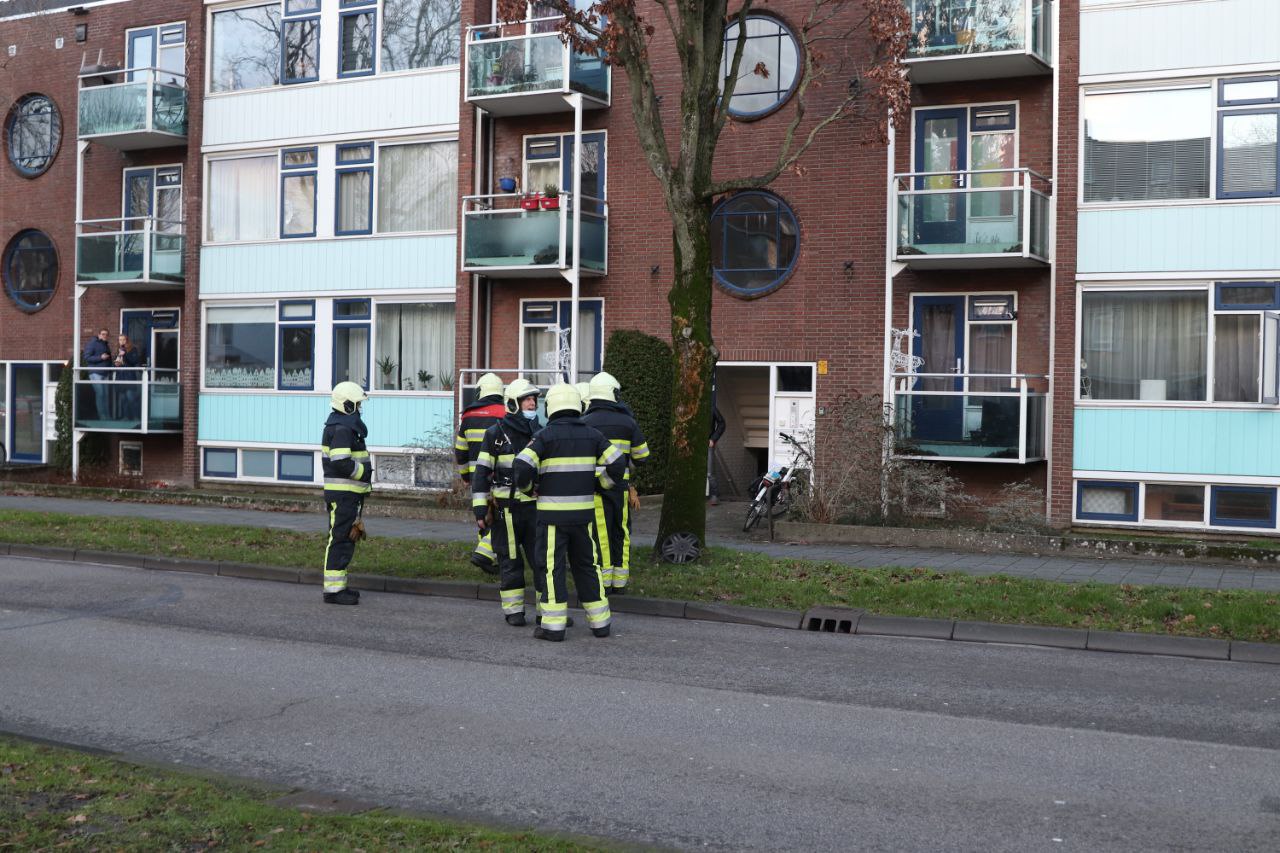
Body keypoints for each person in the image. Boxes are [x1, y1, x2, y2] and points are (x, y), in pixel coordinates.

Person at [514, 384, 626, 642]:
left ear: (550, 407)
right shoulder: (593, 434)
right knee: (588, 566)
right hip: (584, 516)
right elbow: (618, 462)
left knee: (552, 569)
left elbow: (521, 465)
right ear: (578, 406)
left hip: (552, 518)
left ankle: (553, 627)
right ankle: (601, 623)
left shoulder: (544, 436)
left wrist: (530, 489)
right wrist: (601, 484)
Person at [473, 378, 543, 625]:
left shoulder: (540, 432)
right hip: (506, 513)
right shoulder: (494, 434)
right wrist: (480, 510)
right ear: (513, 404)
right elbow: (481, 473)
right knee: (509, 561)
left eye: (534, 399)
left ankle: (548, 613)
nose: (532, 403)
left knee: (541, 562)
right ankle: (514, 611)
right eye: (527, 399)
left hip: (535, 510)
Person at [583, 371, 649, 594]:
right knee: (621, 531)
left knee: (600, 532)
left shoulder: (584, 422)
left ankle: (603, 580)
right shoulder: (628, 422)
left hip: (594, 489)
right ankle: (620, 582)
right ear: (613, 393)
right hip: (620, 488)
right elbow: (643, 457)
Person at [320, 381, 372, 605]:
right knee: (339, 539)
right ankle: (333, 591)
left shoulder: (342, 426)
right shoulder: (341, 429)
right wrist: (363, 473)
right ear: (347, 405)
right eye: (357, 405)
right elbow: (341, 462)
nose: (359, 409)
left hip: (348, 496)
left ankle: (339, 586)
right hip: (343, 496)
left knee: (345, 540)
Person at [455, 372, 506, 574]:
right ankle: (487, 554)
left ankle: (488, 555)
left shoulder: (468, 417)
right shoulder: (507, 413)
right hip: (502, 476)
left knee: (483, 516)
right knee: (501, 518)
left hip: (478, 478)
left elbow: (461, 451)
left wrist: (466, 476)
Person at [82, 328, 112, 421]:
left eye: (106, 334)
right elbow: (86, 357)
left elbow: (107, 360)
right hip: (95, 373)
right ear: (98, 335)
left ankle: (107, 417)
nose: (105, 336)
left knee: (106, 395)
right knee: (100, 394)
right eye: (103, 334)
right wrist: (100, 357)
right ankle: (102, 417)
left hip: (105, 373)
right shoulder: (93, 343)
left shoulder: (106, 345)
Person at [114, 335, 142, 422]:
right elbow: (114, 364)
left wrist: (125, 354)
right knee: (123, 399)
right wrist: (115, 364)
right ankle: (126, 417)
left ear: (127, 340)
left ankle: (136, 417)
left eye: (123, 339)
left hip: (129, 377)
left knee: (131, 398)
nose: (122, 341)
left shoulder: (133, 349)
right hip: (120, 377)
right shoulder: (117, 351)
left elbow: (134, 361)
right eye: (120, 340)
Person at [708, 403, 726, 506]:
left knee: (710, 473)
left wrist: (713, 439)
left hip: (708, 443)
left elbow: (722, 423)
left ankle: (715, 495)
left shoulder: (711, 408)